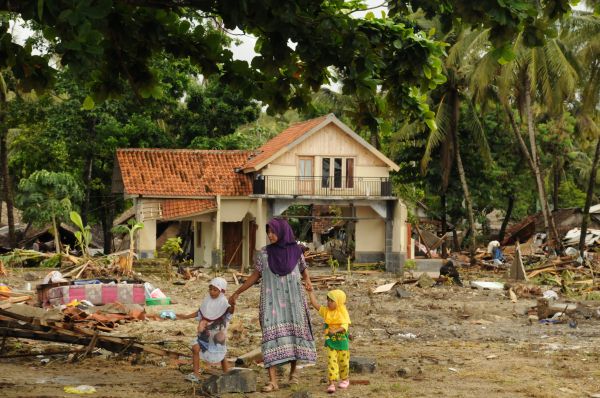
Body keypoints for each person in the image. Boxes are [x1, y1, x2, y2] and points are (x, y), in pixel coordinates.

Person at [229, 218, 316, 392]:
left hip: (294, 301)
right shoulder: (264, 254)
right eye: (268, 232)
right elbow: (255, 276)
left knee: (293, 336)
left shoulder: (296, 252)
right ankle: (273, 381)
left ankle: (293, 373)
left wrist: (307, 282)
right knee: (270, 338)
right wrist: (237, 292)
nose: (270, 235)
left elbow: (304, 271)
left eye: (273, 232)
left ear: (283, 232)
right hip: (271, 303)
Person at [177, 277, 234, 382]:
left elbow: (229, 312)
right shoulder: (207, 300)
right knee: (195, 348)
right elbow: (200, 312)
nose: (212, 292)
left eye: (215, 290)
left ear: (221, 290)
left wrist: (233, 304)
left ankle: (227, 375)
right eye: (210, 289)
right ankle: (196, 374)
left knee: (220, 354)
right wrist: (185, 316)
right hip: (204, 332)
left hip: (217, 334)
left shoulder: (223, 302)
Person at [307, 289, 351, 394]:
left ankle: (345, 379)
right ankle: (331, 383)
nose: (328, 303)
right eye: (328, 300)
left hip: (342, 343)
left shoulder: (343, 313)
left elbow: (344, 327)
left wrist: (334, 331)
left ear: (339, 302)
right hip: (331, 343)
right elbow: (316, 305)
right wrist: (310, 292)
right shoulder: (326, 311)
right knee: (332, 362)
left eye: (331, 301)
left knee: (343, 363)